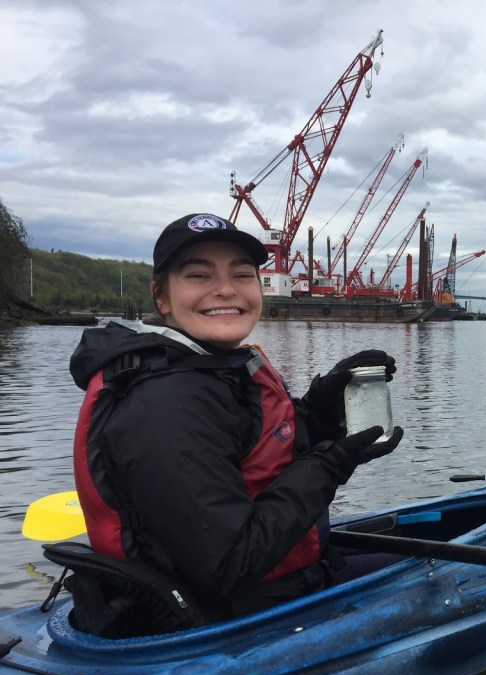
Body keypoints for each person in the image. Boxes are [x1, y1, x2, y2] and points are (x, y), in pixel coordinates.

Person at [68, 212, 403, 629]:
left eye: (242, 275)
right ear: (161, 297)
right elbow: (228, 566)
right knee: (422, 575)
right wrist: (330, 465)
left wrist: (321, 407)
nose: (226, 290)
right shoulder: (165, 402)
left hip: (276, 589)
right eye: (198, 275)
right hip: (228, 622)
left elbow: (253, 459)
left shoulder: (208, 369)